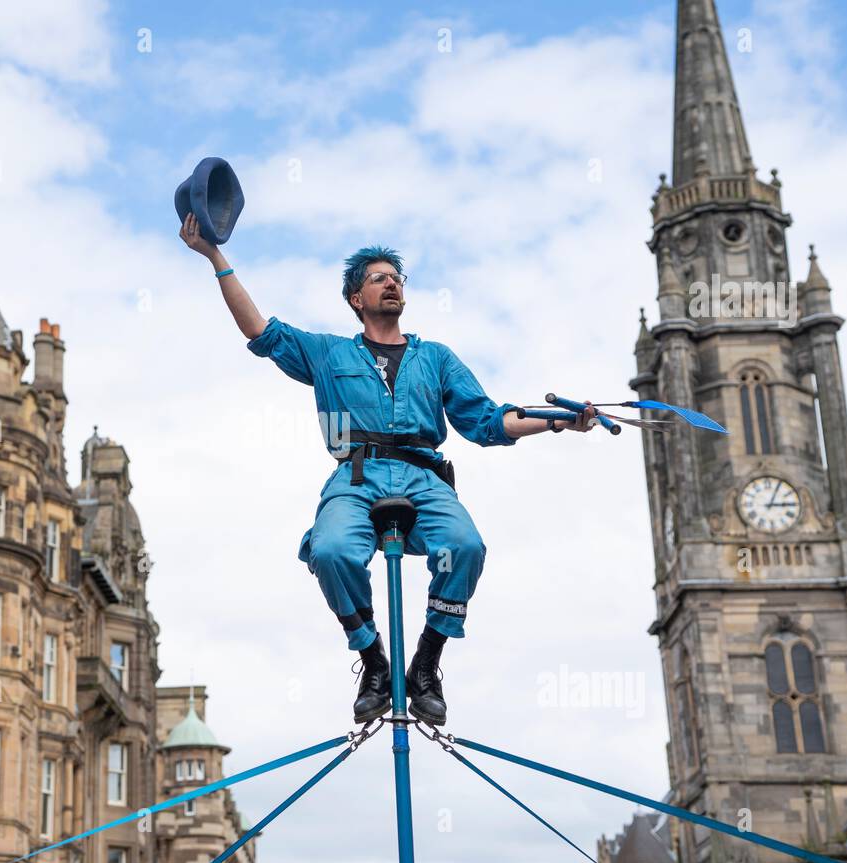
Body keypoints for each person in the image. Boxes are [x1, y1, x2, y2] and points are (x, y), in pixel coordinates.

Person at [180, 212, 597, 725]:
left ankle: (425, 664)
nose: (392, 283)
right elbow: (258, 330)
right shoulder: (328, 353)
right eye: (379, 278)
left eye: (397, 278)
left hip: (423, 477)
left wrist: (557, 422)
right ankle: (373, 660)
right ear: (357, 299)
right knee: (332, 551)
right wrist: (214, 255)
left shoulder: (436, 358)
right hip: (355, 478)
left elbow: (489, 420)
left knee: (464, 547)